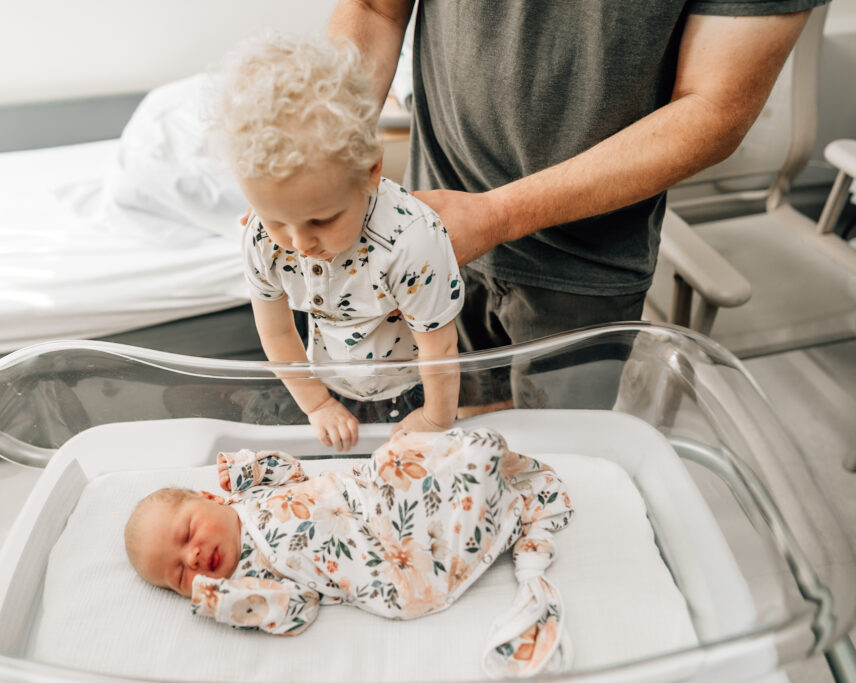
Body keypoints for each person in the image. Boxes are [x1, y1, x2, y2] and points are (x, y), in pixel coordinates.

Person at [327, 1, 825, 409]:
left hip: (582, 271)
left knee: (556, 467)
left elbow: (714, 110)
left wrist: (497, 215)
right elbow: (375, 7)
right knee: (460, 432)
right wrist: (326, 149)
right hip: (433, 225)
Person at [124, 427, 575, 677]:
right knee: (424, 558)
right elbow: (297, 610)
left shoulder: (249, 499)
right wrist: (228, 603)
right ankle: (500, 508)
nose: (194, 559)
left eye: (187, 534)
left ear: (212, 500)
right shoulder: (249, 580)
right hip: (384, 559)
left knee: (399, 457)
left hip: (372, 496)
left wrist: (252, 468)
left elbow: (296, 472)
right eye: (180, 577)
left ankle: (473, 473)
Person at [211, 36, 464, 451]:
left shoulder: (411, 242)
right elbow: (276, 335)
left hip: (416, 387)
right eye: (277, 218)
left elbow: (440, 347)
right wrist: (317, 405)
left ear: (371, 170)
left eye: (321, 219)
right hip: (325, 381)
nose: (300, 242)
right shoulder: (262, 238)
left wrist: (437, 418)